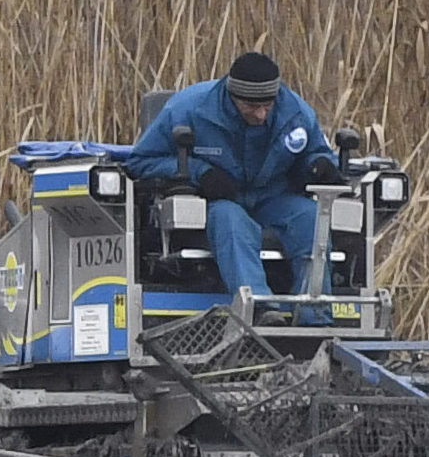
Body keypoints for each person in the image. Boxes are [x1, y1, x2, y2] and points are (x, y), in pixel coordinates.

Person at [121, 52, 345, 304]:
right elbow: (141, 162)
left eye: (267, 106)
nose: (261, 114)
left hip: (273, 198)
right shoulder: (189, 109)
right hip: (218, 202)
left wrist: (319, 165)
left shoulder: (296, 114)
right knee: (231, 220)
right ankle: (258, 306)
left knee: (310, 218)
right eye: (251, 106)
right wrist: (199, 172)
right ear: (232, 95)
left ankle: (315, 313)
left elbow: (315, 153)